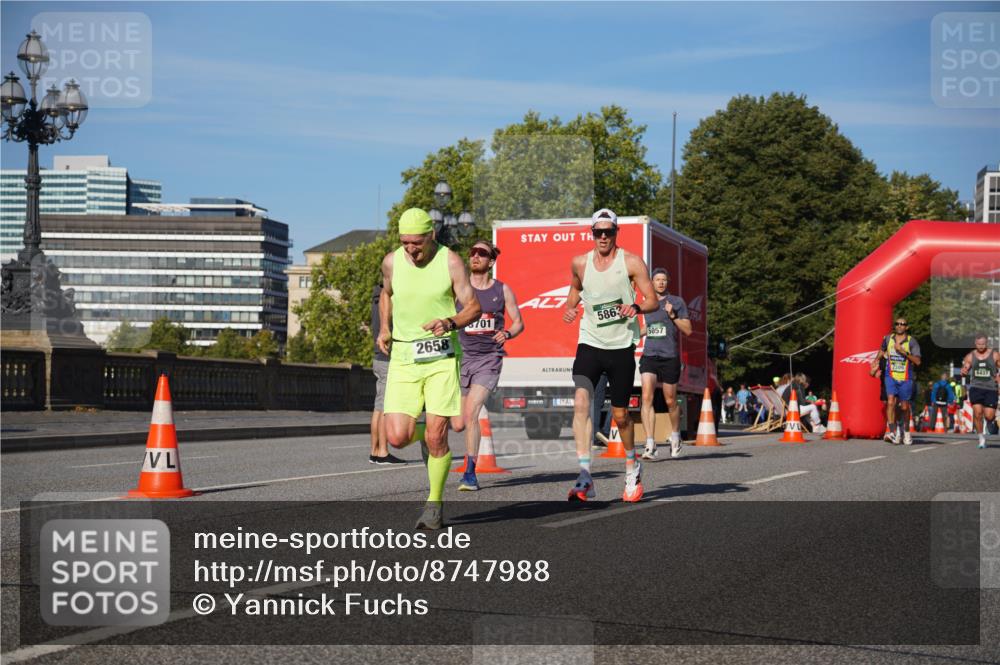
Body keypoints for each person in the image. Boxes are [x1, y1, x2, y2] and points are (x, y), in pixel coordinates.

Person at [378, 208, 481, 529]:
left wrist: (449, 321)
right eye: (405, 242)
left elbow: (473, 307)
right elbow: (386, 294)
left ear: (431, 235)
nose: (411, 249)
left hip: (441, 357)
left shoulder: (450, 262)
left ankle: (434, 505)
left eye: (417, 242)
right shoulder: (391, 262)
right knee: (396, 437)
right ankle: (430, 437)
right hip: (404, 357)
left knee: (438, 436)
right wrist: (384, 327)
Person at [563, 208, 657, 502]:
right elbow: (575, 289)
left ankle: (632, 466)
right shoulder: (580, 263)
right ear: (591, 233)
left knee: (620, 415)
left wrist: (636, 308)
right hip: (590, 342)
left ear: (617, 233)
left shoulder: (631, 262)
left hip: (621, 345)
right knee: (581, 402)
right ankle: (584, 475)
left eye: (608, 232)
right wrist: (570, 307)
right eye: (598, 232)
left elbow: (652, 299)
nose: (603, 237)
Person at [455, 239, 524, 491]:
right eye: (472, 252)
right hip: (464, 359)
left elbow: (518, 322)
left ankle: (470, 474)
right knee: (458, 423)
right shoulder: (460, 289)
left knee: (472, 412)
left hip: (489, 359)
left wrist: (507, 333)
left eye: (481, 253)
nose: (475, 256)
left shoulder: (501, 290)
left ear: (491, 261)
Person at [638, 267, 693, 460]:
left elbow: (688, 330)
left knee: (670, 400)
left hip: (669, 356)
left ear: (667, 282)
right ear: (651, 282)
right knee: (647, 397)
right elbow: (649, 327)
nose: (661, 282)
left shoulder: (677, 302)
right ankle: (650, 444)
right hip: (650, 355)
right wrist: (632, 336)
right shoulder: (648, 302)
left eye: (664, 280)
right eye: (657, 279)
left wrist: (673, 316)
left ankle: (676, 436)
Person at [870, 317, 921, 445]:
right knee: (891, 401)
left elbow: (917, 361)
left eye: (902, 324)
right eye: (897, 323)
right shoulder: (888, 339)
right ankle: (893, 432)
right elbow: (882, 350)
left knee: (904, 407)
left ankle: (907, 432)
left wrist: (903, 352)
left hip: (905, 378)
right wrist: (876, 361)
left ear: (906, 327)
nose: (899, 326)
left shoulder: (911, 341)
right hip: (890, 376)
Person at [369, 280, 405, 465]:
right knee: (385, 407)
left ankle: (375, 451)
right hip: (388, 358)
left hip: (379, 357)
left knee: (379, 407)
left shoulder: (376, 298)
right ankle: (383, 452)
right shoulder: (388, 299)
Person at [960, 334, 1000, 449]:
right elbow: (965, 368)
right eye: (978, 344)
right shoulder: (970, 356)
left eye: (983, 344)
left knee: (989, 416)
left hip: (991, 388)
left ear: (986, 343)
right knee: (977, 413)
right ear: (975, 344)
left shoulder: (994, 355)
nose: (981, 346)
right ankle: (981, 438)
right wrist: (964, 371)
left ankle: (990, 422)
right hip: (976, 388)